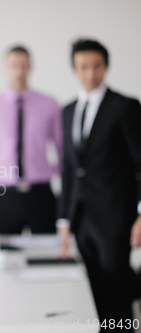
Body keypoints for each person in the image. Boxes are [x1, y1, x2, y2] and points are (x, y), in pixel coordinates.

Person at [58, 39, 141, 330]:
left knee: (116, 291)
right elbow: (69, 168)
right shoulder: (67, 110)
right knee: (90, 292)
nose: (90, 73)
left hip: (116, 216)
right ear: (74, 69)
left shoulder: (125, 106)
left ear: (106, 67)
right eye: (83, 67)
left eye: (96, 66)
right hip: (81, 218)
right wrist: (64, 220)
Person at [0, 45, 62, 234]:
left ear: (30, 67)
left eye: (24, 65)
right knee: (3, 258)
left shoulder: (49, 104)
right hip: (3, 196)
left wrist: (52, 170)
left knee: (45, 256)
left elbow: (62, 148)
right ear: (4, 68)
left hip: (40, 194)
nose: (19, 71)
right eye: (13, 65)